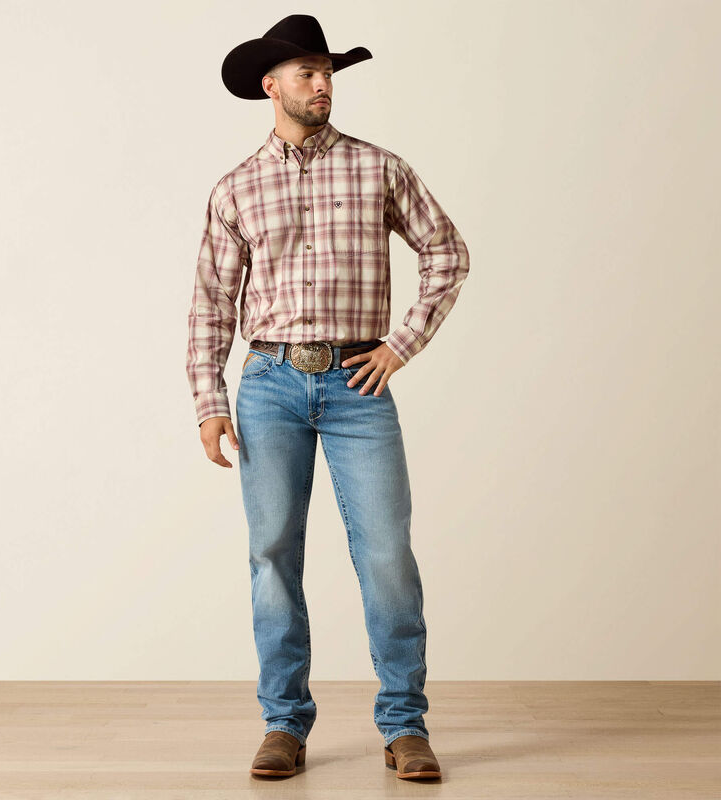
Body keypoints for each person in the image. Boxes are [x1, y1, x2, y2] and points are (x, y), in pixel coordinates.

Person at [185, 14, 470, 781]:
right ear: (270, 86)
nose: (323, 84)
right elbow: (212, 302)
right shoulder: (236, 188)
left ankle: (405, 727)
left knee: (386, 555)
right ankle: (284, 724)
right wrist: (209, 401)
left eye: (328, 71)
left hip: (356, 384)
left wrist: (399, 345)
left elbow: (447, 252)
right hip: (268, 385)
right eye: (307, 72)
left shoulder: (380, 169)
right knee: (273, 555)